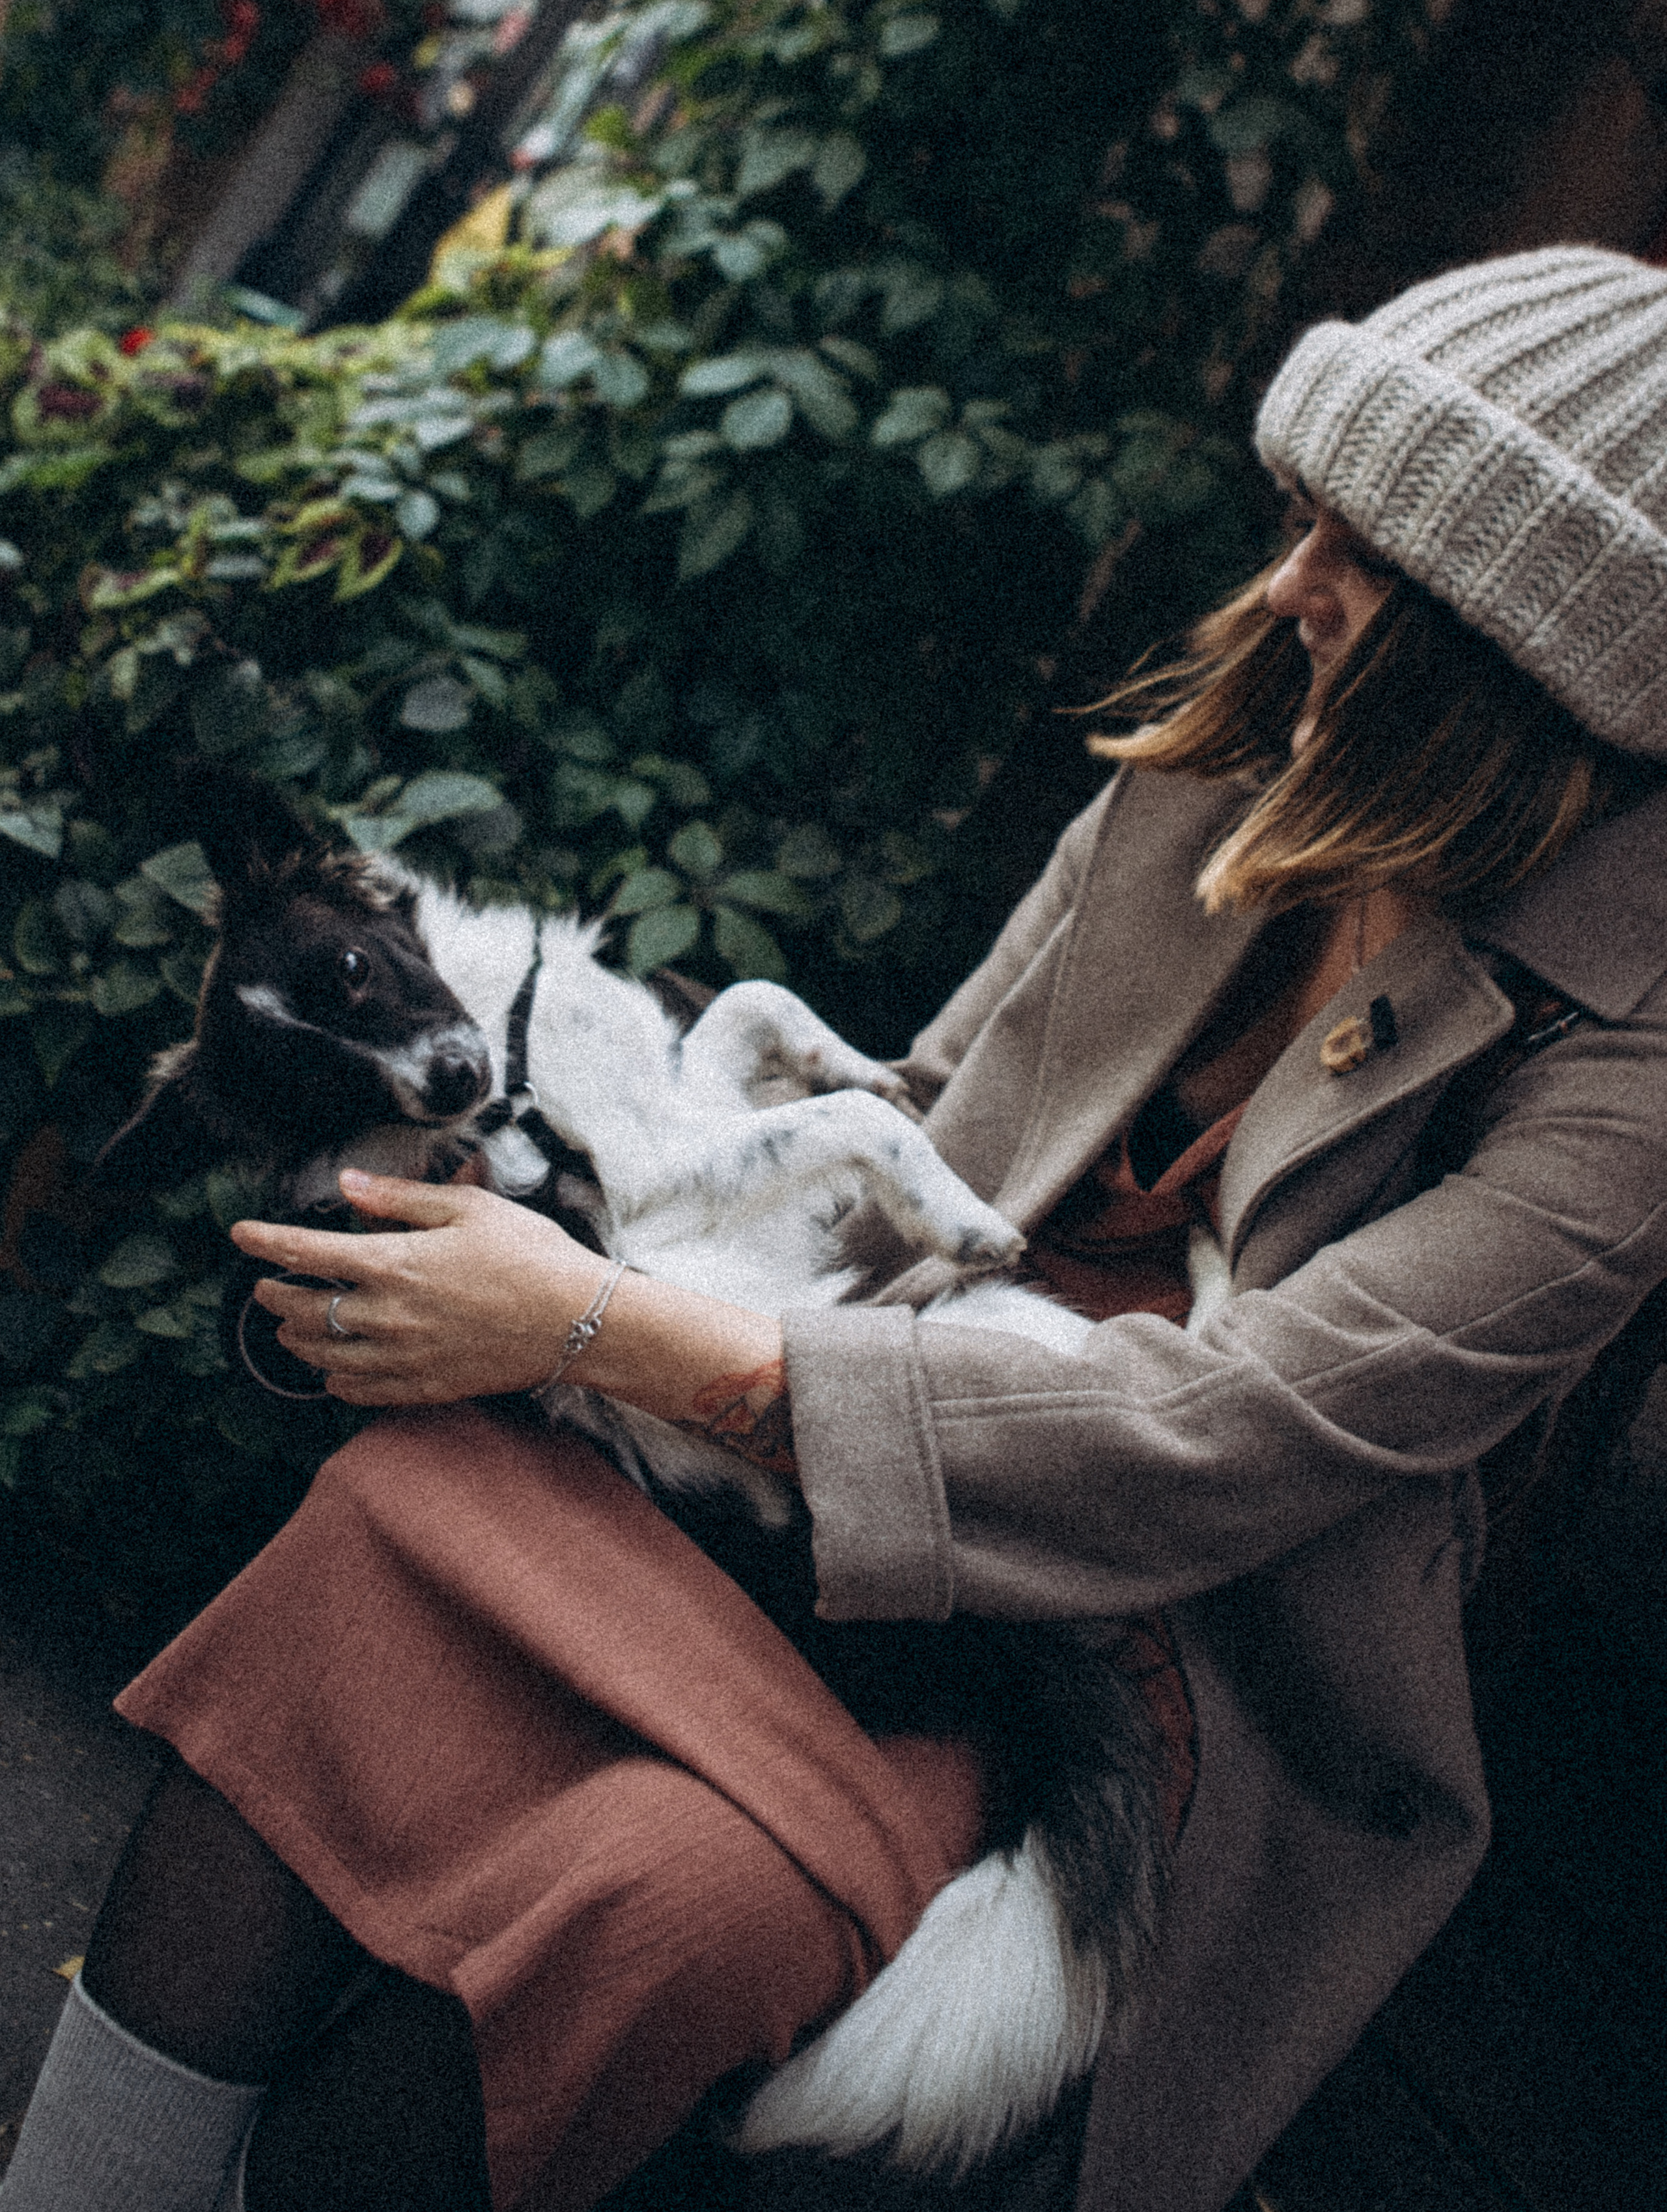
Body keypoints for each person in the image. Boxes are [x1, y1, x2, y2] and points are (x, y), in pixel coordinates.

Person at [7, 243, 1667, 2212]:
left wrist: (594, 1326)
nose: (1290, 583)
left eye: (1361, 553)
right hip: (830, 1444)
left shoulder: (1626, 1060)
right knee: (372, 1559)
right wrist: (554, 1161)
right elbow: (935, 1125)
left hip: (1151, 1650)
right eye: (1303, 512)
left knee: (670, 1905)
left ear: (1521, 661)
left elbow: (1234, 1446)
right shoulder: (1221, 770)